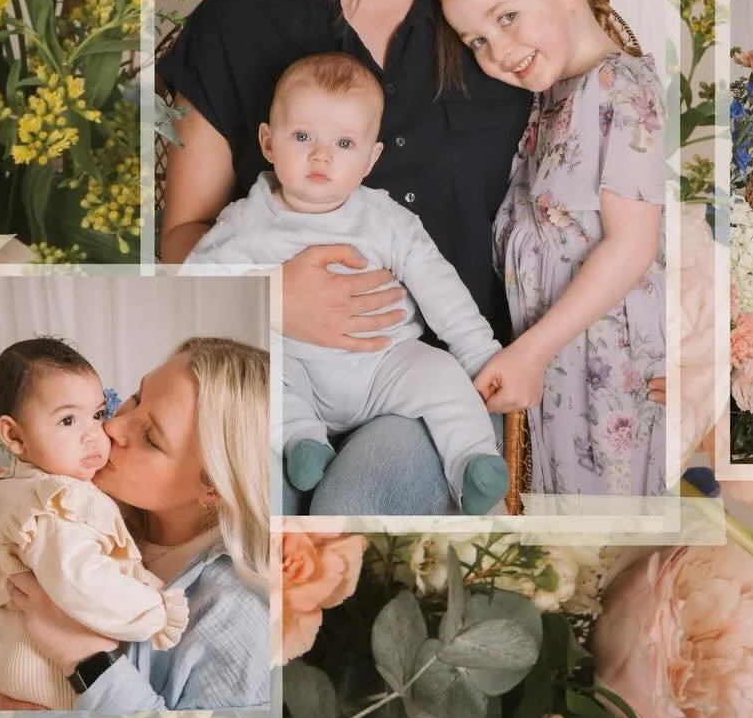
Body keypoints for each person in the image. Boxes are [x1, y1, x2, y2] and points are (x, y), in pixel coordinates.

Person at [157, 0, 532, 516]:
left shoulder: (507, 40)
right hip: (278, 364)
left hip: (434, 385)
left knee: (352, 503)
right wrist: (270, 300)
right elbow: (181, 237)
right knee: (251, 503)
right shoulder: (241, 22)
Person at [183, 53, 509, 515]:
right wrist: (263, 288)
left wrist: (479, 354)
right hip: (295, 369)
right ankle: (301, 440)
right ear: (268, 142)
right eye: (302, 136)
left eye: (344, 143)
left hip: (385, 365)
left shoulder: (384, 219)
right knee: (260, 382)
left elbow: (441, 289)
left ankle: (472, 461)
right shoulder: (246, 222)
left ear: (370, 159)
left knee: (441, 378)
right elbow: (200, 282)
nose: (321, 154)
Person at [437, 0, 666, 497]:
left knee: (606, 536)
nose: (497, 50)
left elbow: (632, 245)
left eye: (507, 17)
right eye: (478, 40)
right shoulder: (549, 100)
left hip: (612, 373)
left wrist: (530, 353)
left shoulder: (622, 89)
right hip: (560, 370)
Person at [0, 337, 270, 713]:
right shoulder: (76, 505)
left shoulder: (241, 610)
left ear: (213, 487)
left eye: (150, 437)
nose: (111, 428)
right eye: (136, 398)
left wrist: (86, 659)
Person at [0, 338, 188, 710]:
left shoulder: (23, 488)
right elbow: (80, 579)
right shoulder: (54, 502)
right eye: (67, 420)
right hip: (43, 683)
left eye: (97, 414)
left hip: (19, 668)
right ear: (14, 436)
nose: (96, 434)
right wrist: (155, 612)